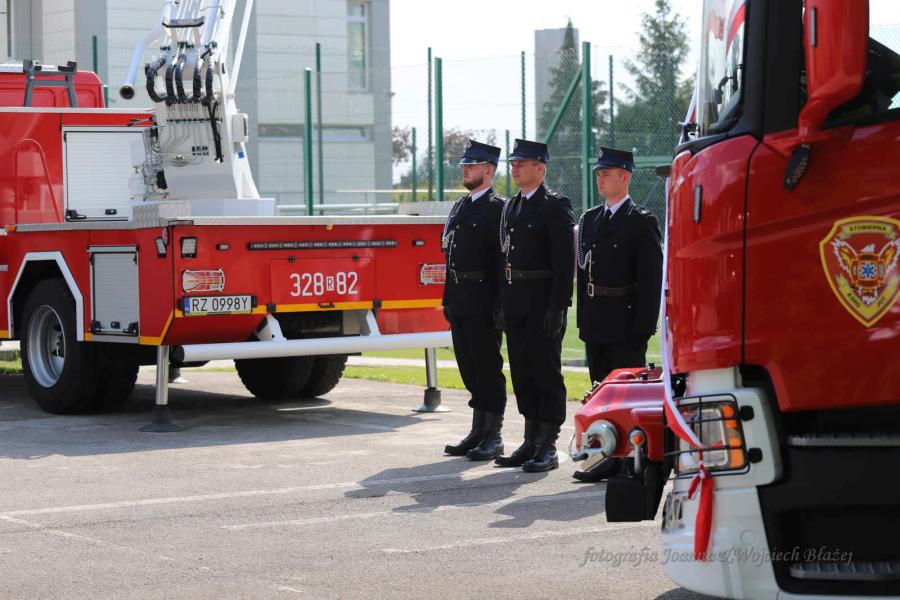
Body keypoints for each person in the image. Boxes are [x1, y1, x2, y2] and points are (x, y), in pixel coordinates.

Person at [494, 139, 575, 473]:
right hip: (516, 300)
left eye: (521, 164)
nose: (514, 168)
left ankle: (548, 444)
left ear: (540, 169)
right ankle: (531, 440)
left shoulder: (554, 205)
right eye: (513, 164)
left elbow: (564, 261)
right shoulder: (512, 206)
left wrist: (559, 306)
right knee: (523, 371)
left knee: (545, 371)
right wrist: (502, 302)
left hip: (542, 302)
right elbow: (504, 257)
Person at [442, 140, 508, 461]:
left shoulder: (499, 208)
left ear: (489, 170)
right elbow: (449, 254)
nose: (466, 170)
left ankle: (493, 434)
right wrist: (447, 298)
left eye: (472, 165)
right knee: (468, 365)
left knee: (487, 366)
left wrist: (500, 304)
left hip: (483, 297)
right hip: (460, 296)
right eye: (465, 165)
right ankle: (478, 430)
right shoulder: (461, 205)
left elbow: (502, 261)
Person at [576, 147, 663, 386]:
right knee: (598, 390)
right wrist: (583, 321)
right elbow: (584, 275)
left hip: (625, 326)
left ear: (625, 176)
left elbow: (651, 280)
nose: (600, 179)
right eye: (598, 174)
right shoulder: (590, 219)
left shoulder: (641, 221)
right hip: (595, 323)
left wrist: (643, 330)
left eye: (606, 174)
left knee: (625, 391)